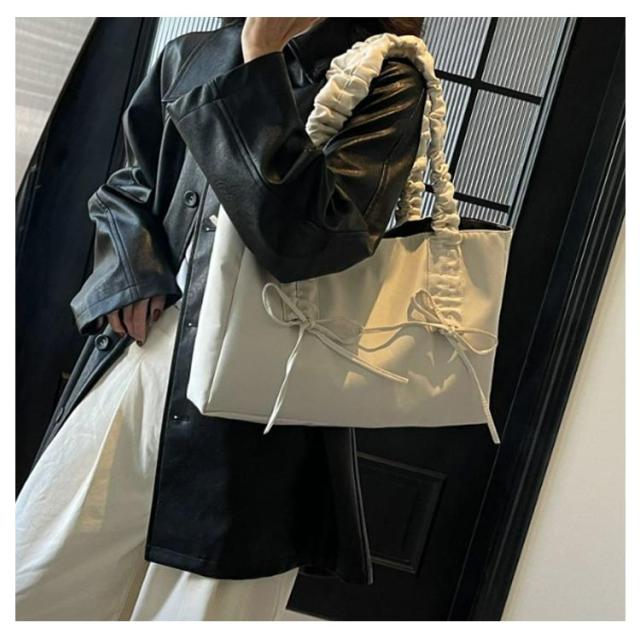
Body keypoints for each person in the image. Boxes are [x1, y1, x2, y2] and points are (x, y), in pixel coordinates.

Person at [16, 17, 427, 620]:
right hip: (138, 370)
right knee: (33, 587)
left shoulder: (385, 78)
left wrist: (259, 59)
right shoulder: (193, 53)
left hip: (259, 422)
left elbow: (305, 241)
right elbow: (127, 188)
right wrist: (133, 273)